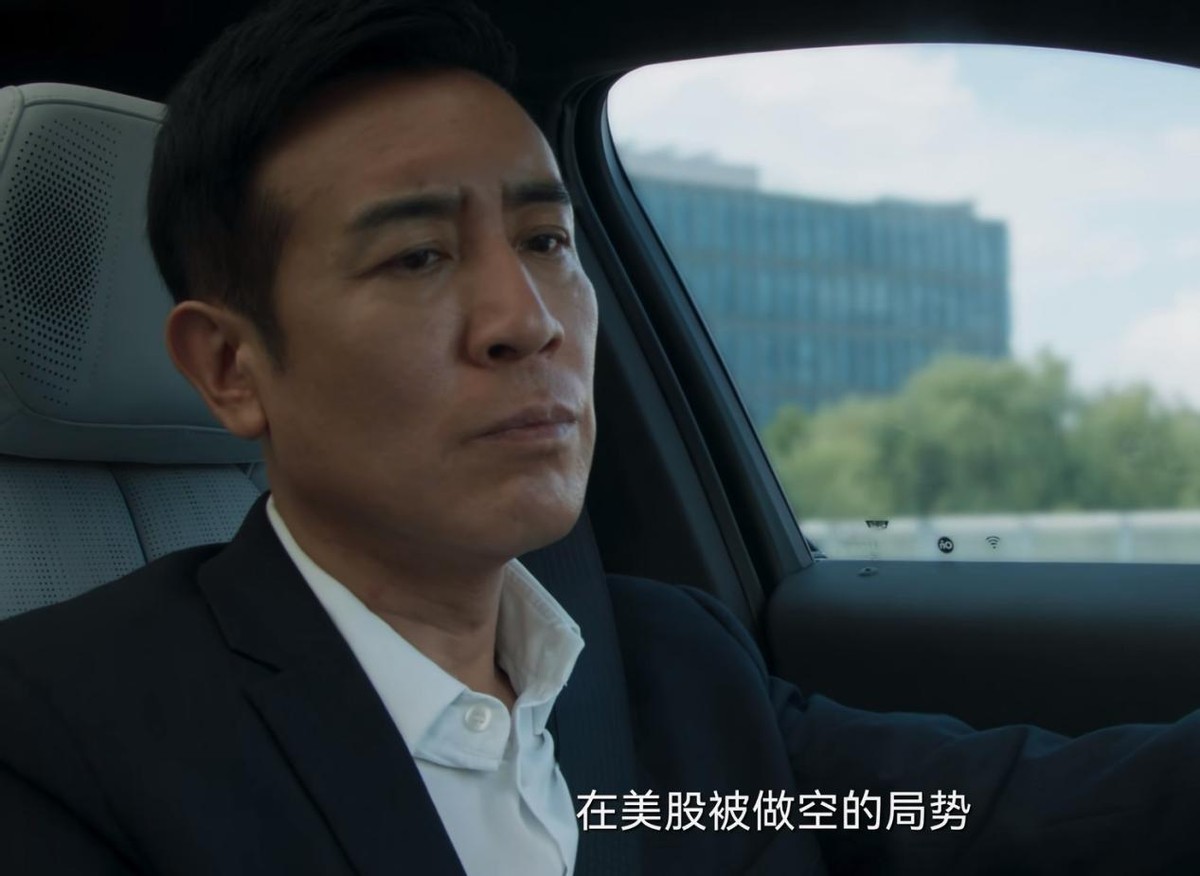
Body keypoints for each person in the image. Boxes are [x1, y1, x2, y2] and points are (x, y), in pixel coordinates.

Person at [0, 0, 1196, 873]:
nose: (527, 319)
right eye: (416, 257)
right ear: (231, 366)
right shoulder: (61, 739)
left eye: (545, 241)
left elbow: (981, 813)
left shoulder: (667, 661)